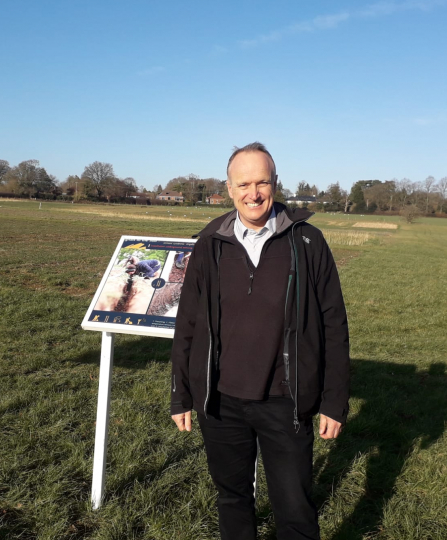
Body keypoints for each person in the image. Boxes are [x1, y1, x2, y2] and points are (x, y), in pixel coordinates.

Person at [170, 142, 350, 540]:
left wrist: (334, 401)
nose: (254, 193)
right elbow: (189, 323)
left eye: (262, 182)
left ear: (275, 184)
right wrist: (181, 393)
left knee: (295, 509)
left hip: (286, 401)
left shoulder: (307, 243)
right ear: (229, 189)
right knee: (232, 499)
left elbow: (334, 325)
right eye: (244, 184)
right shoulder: (210, 244)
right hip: (220, 402)